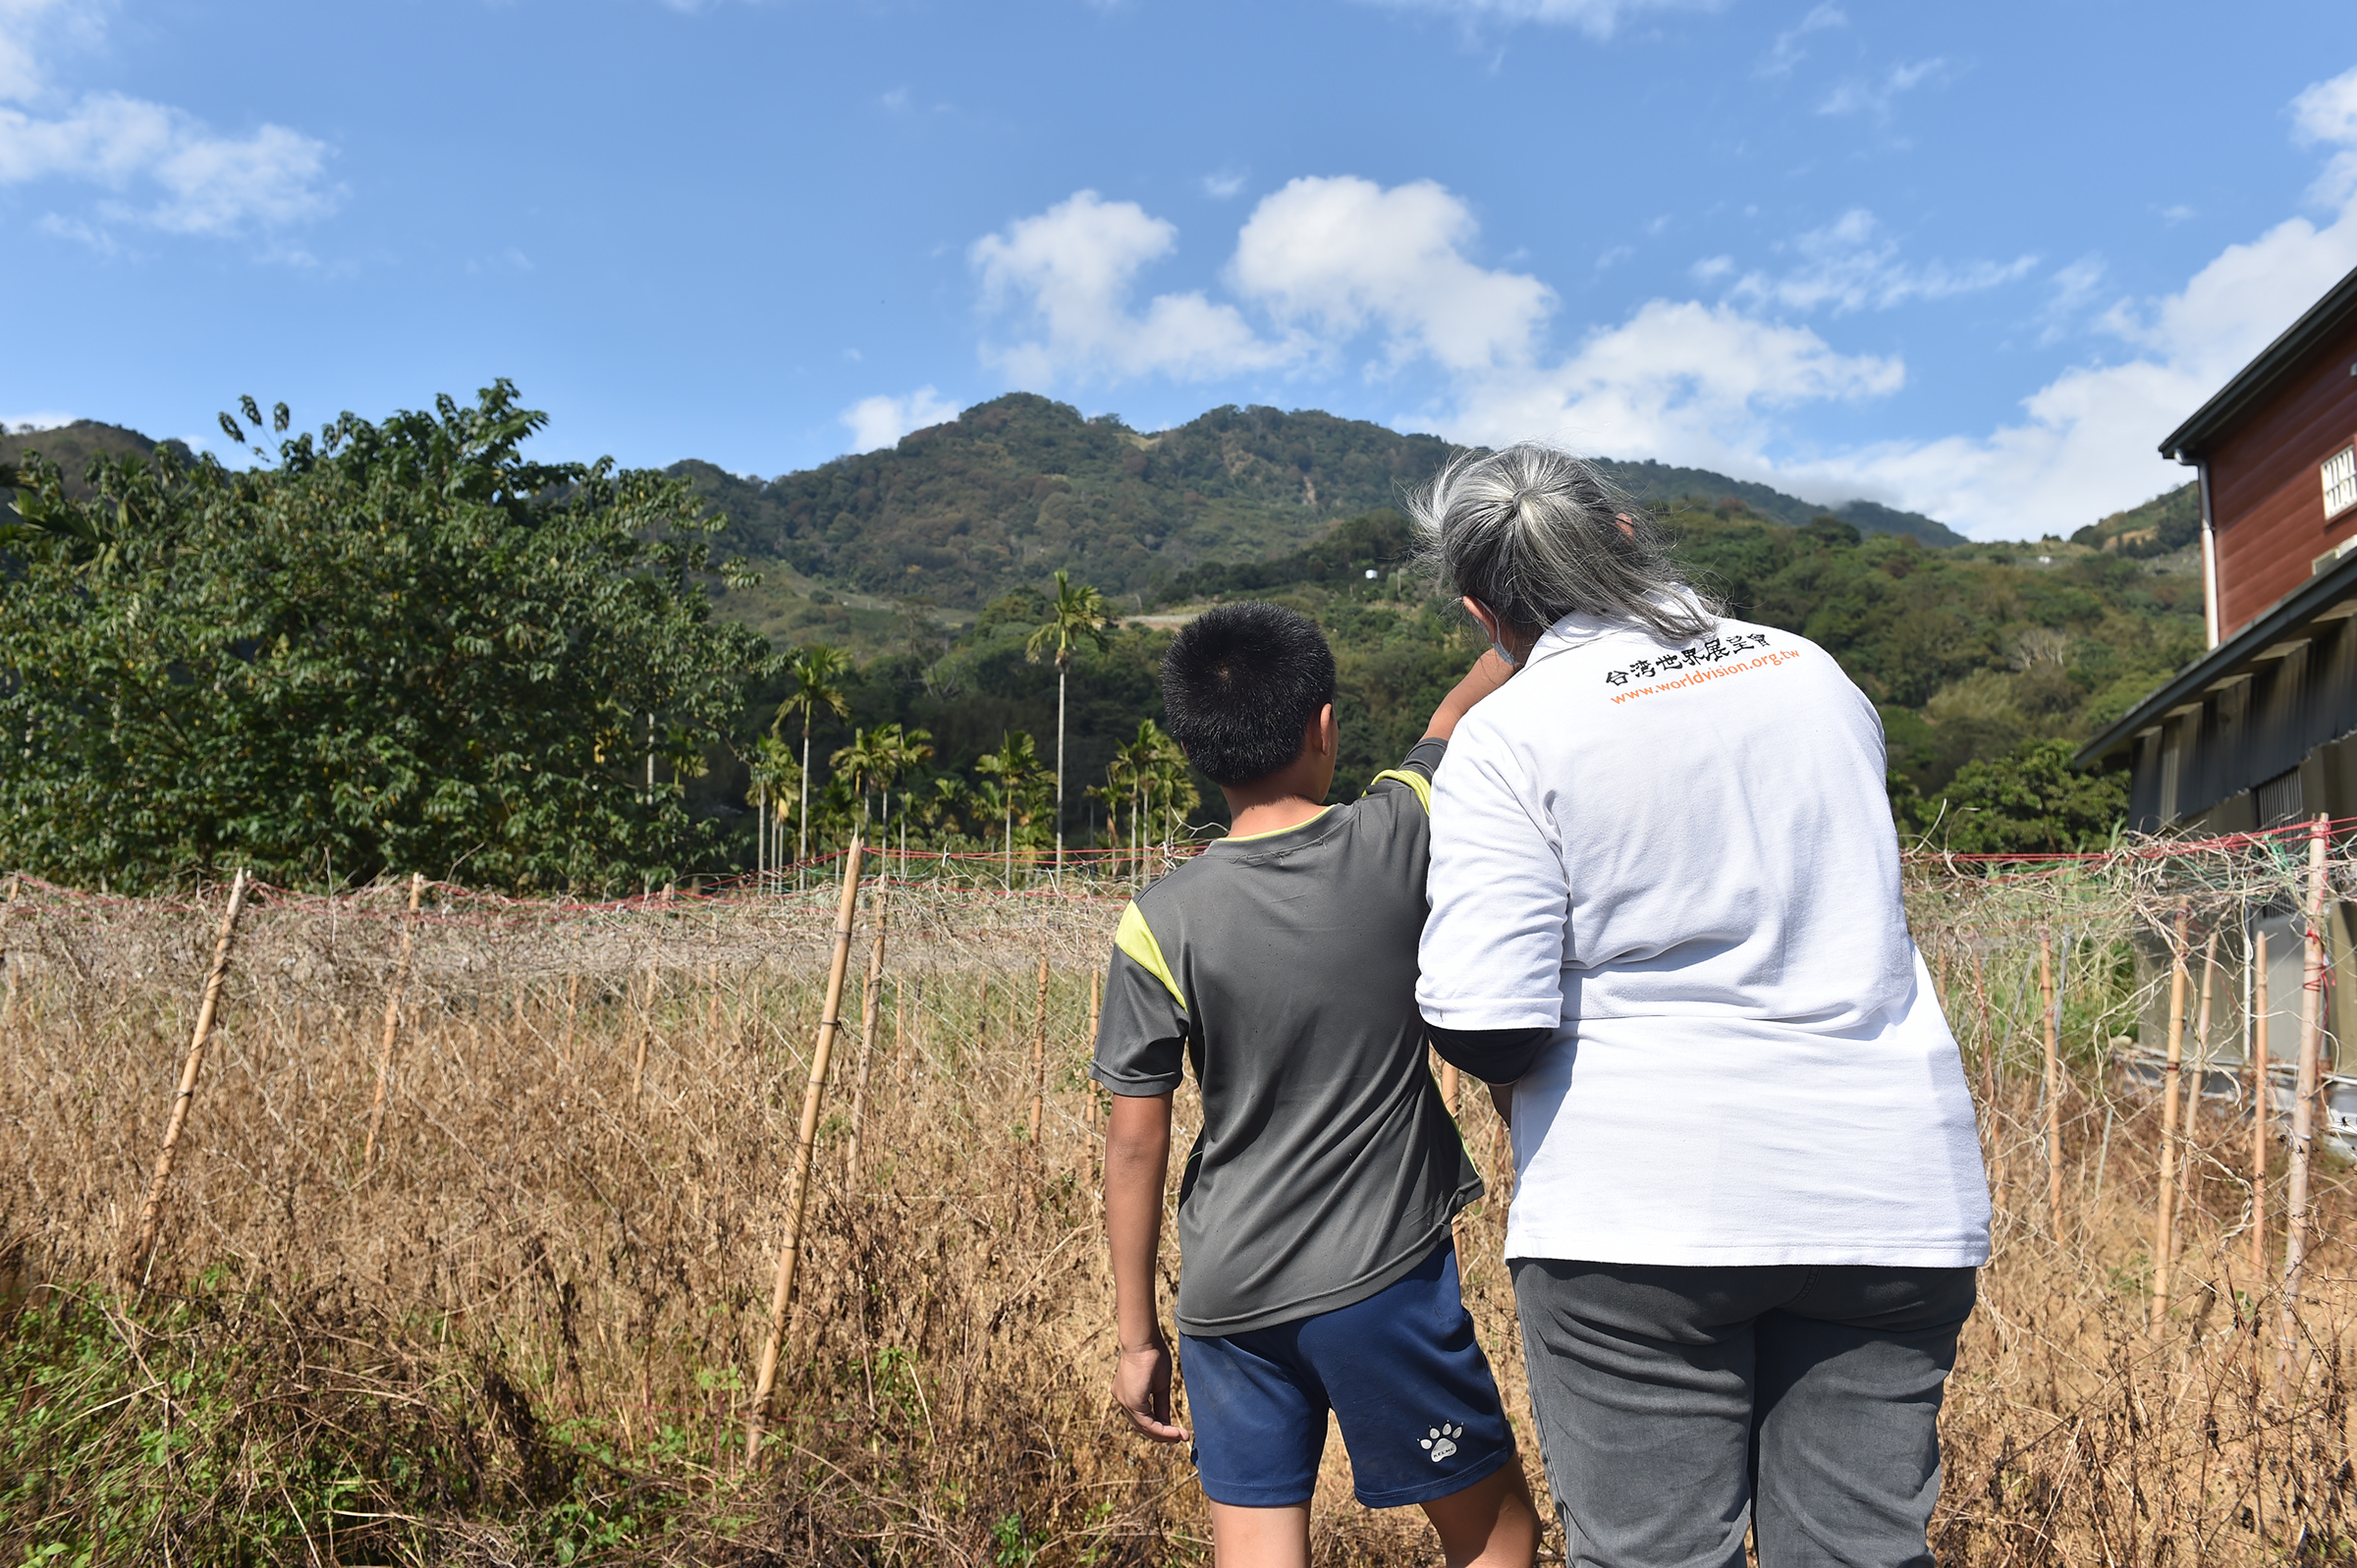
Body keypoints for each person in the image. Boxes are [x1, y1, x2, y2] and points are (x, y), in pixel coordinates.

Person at [1410, 445, 1993, 1568]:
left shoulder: (1509, 735)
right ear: (1625, 533)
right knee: (1862, 1549)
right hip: (1885, 1194)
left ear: (1485, 610)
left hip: (1638, 1215)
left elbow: (1491, 1022)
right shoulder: (1812, 671)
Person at [1093, 601, 1538, 1568]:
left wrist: (1137, 1338)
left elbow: (1135, 1140)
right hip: (1379, 1282)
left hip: (1224, 1296)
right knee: (1500, 1536)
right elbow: (1452, 723)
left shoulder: (1156, 920)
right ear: (1324, 727)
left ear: (1197, 752)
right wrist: (1517, 628)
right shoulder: (1391, 838)